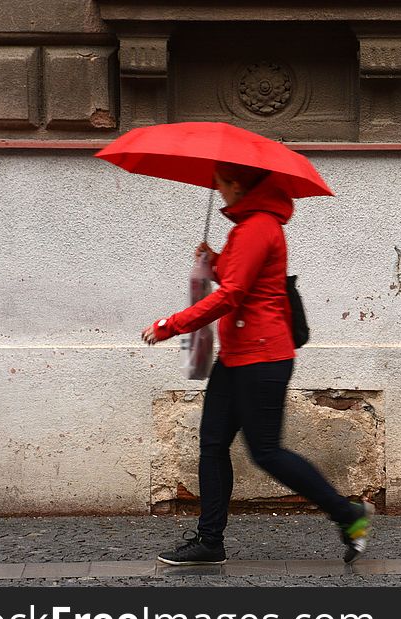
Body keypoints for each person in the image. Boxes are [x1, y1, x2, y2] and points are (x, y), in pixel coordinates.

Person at [142, 162, 373, 564]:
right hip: (237, 357)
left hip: (263, 357)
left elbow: (231, 295)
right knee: (212, 445)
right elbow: (240, 279)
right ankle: (210, 542)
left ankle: (348, 514)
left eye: (220, 183)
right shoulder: (245, 228)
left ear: (236, 184)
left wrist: (170, 325)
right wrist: (212, 261)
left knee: (265, 452)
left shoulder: (258, 228)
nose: (217, 190)